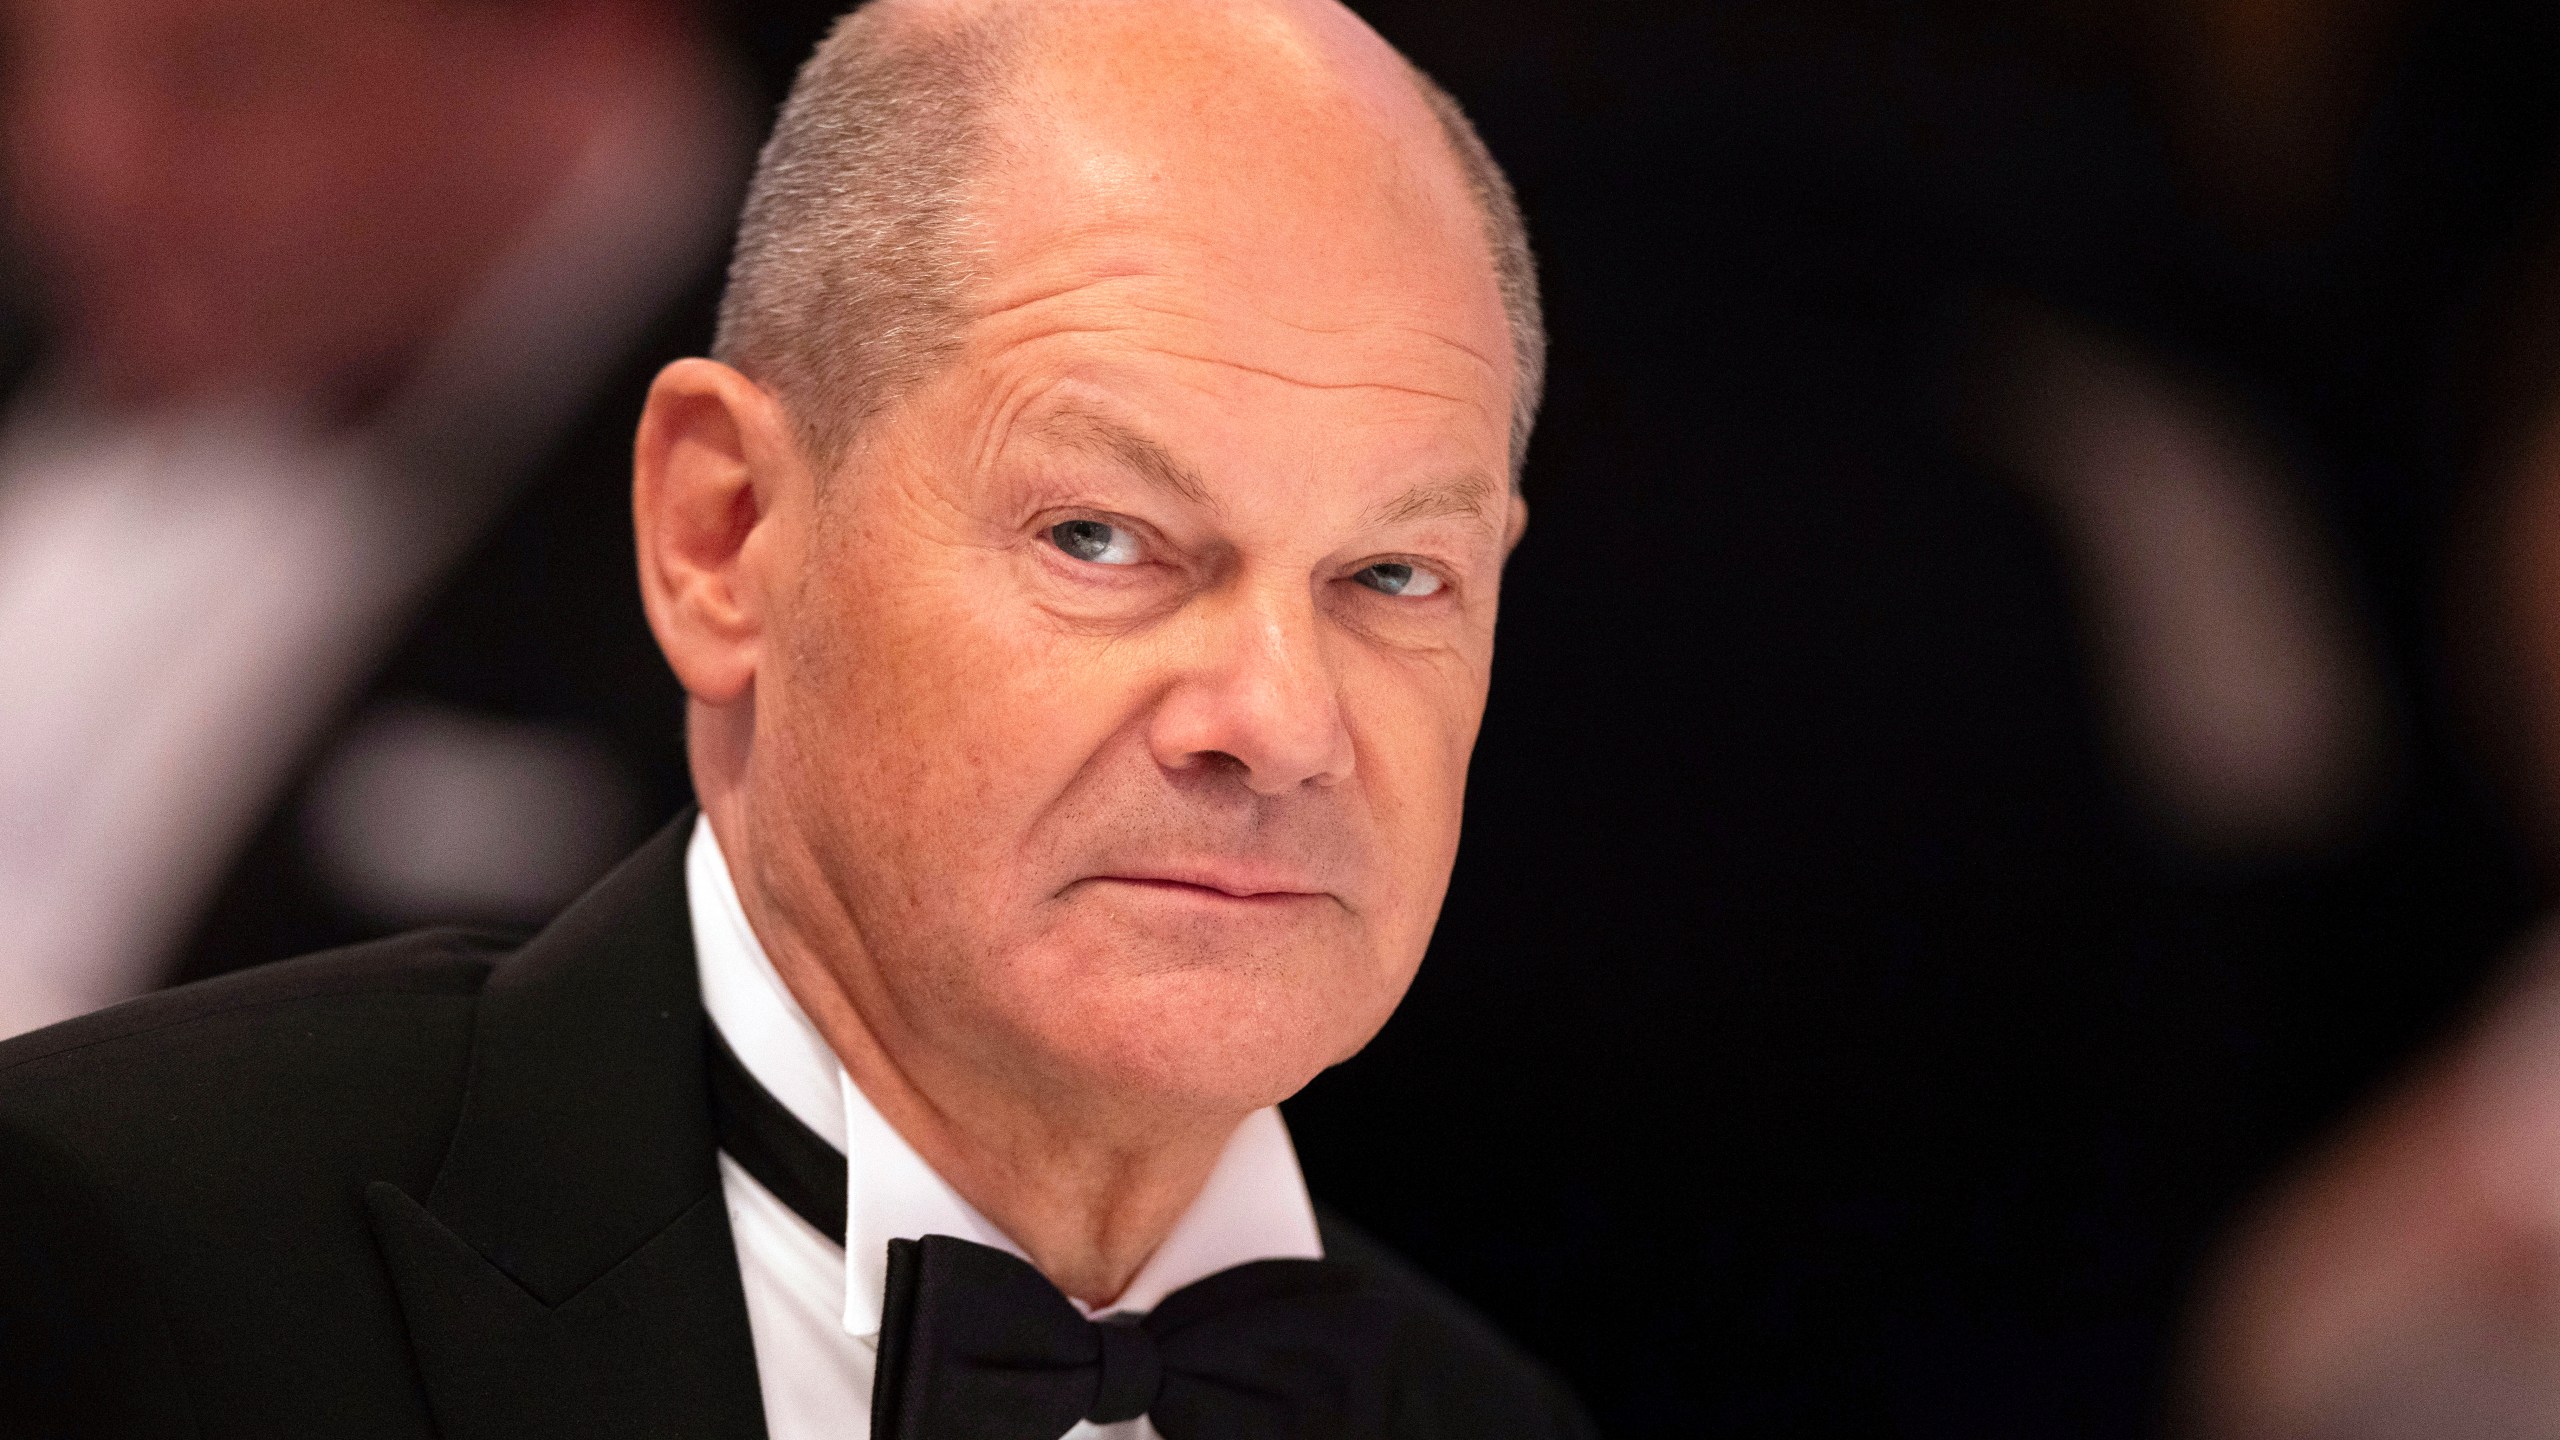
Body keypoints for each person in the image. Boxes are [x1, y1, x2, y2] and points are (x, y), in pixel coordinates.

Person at [0, 0, 1589, 1436]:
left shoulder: (1485, 1420)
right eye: (1098, 536)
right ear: (725, 534)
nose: (1279, 718)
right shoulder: (124, 1255)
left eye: (1390, 574)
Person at [0, 0, 759, 1036]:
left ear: (575, 35)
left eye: (227, 69)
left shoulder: (827, 487)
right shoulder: (119, 312)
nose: (93, 172)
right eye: (32, 62)